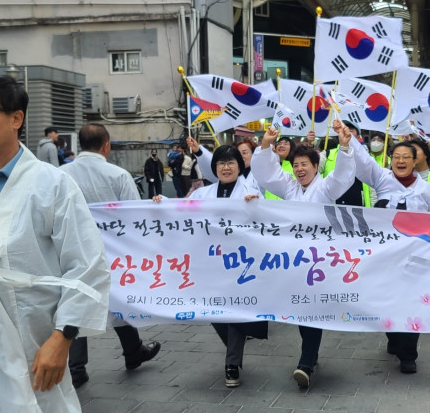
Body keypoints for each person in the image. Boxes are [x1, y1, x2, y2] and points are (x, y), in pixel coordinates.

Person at [0, 73, 110, 411]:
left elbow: (87, 265)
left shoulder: (51, 185)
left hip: (35, 350)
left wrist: (63, 337)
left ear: (15, 118)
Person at [345, 129, 430, 375]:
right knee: (389, 300)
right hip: (384, 258)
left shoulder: (427, 191)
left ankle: (409, 355)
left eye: (406, 157)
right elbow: (363, 159)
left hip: (414, 260)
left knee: (411, 302)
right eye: (396, 156)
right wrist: (348, 135)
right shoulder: (381, 179)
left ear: (415, 160)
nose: (400, 161)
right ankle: (394, 338)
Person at [251, 120, 356, 389]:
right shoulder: (289, 187)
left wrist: (344, 148)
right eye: (295, 165)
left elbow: (343, 176)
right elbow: (266, 174)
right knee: (302, 309)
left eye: (304, 164)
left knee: (312, 309)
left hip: (320, 260)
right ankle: (310, 355)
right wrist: (265, 146)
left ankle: (306, 362)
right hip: (294, 261)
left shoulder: (326, 187)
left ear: (315, 165)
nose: (299, 169)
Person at [154, 144, 265, 388]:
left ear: (239, 166)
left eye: (231, 162)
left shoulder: (250, 191)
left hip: (238, 264)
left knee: (233, 311)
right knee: (214, 311)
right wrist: (161, 203)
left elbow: (264, 222)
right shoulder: (202, 194)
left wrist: (257, 206)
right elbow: (180, 212)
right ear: (214, 168)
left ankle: (231, 364)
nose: (226, 167)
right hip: (208, 263)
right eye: (221, 163)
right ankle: (236, 347)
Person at [60, 124, 161, 388]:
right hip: (113, 254)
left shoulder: (59, 175)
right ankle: (133, 353)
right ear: (106, 145)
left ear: (80, 145)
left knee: (75, 302)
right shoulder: (118, 175)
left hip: (71, 252)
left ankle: (77, 368)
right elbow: (133, 217)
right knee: (119, 301)